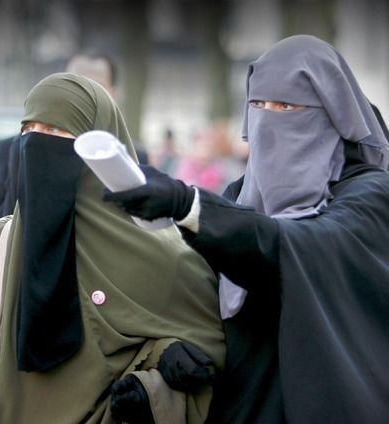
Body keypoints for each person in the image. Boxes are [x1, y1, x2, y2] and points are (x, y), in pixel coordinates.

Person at [103, 35, 389, 423]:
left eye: (287, 106)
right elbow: (194, 294)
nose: (270, 119)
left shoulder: (367, 193)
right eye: (259, 105)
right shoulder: (239, 196)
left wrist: (190, 206)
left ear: (331, 112)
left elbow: (296, 248)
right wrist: (166, 358)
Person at [0, 72, 225, 423]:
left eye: (56, 131)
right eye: (29, 131)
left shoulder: (168, 258)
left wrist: (155, 381)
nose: (38, 144)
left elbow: (207, 354)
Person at [0, 51, 147, 223]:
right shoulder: (22, 148)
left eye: (96, 88)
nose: (83, 97)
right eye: (74, 86)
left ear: (113, 94)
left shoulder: (132, 156)